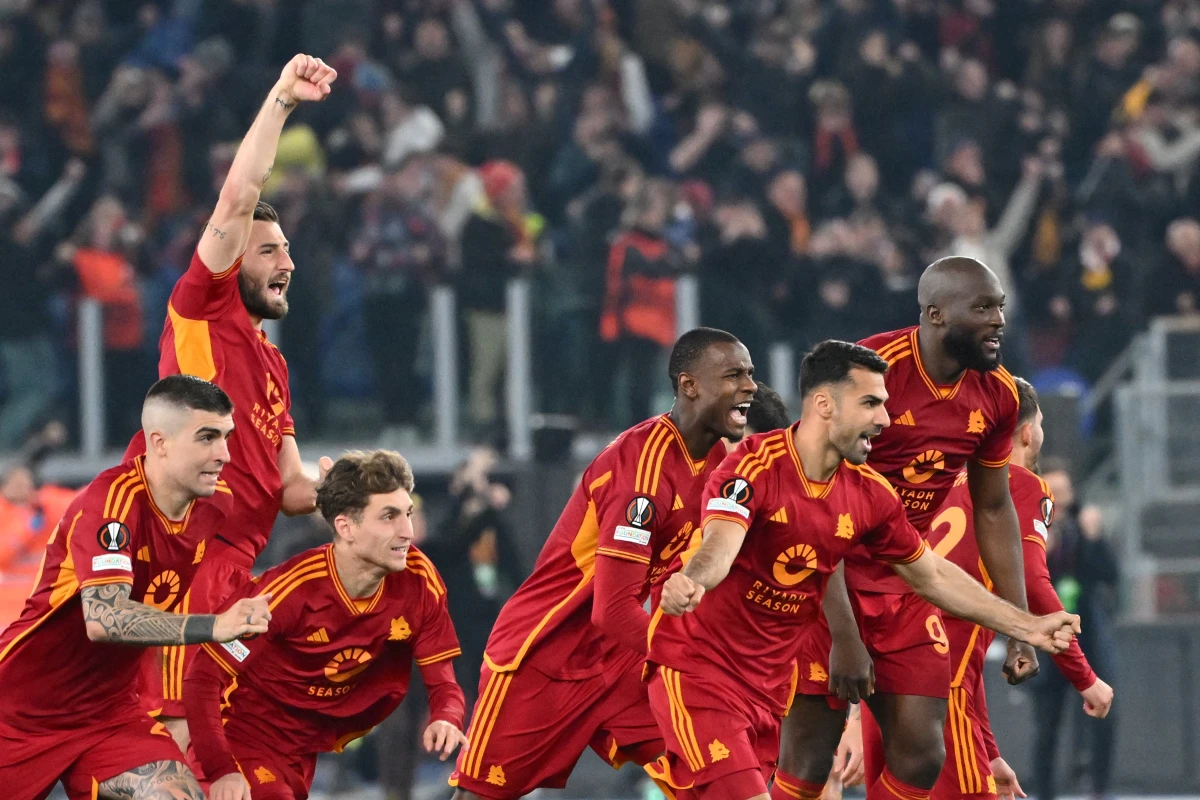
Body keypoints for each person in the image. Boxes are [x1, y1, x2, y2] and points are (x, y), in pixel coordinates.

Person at [645, 340, 1079, 800]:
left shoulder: (869, 492)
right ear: (824, 405)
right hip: (701, 675)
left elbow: (931, 575)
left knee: (903, 757)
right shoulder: (754, 467)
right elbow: (720, 543)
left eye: (885, 404)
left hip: (765, 688)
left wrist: (1026, 625)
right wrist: (692, 580)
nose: (885, 419)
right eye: (870, 403)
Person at [123, 53, 338, 748]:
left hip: (232, 568)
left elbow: (289, 489)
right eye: (269, 251)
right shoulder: (201, 309)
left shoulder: (273, 365)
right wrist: (282, 99)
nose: (288, 263)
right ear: (231, 259)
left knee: (217, 744)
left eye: (287, 250)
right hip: (181, 550)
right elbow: (241, 194)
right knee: (172, 740)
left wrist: (341, 487)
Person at [449, 327, 757, 800]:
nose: (750, 386)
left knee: (715, 763)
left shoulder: (720, 462)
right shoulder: (642, 471)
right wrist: (697, 661)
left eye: (750, 374)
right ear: (690, 385)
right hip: (546, 654)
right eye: (734, 375)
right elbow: (610, 610)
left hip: (621, 657)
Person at [778, 257, 1038, 800]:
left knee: (922, 754)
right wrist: (844, 636)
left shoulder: (999, 394)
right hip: (827, 574)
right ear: (935, 314)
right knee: (810, 759)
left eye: (1000, 307)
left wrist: (1018, 625)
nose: (998, 320)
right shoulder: (870, 376)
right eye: (983, 308)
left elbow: (994, 509)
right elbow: (812, 503)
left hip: (906, 581)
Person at [0, 375, 272, 800]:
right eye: (206, 437)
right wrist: (214, 625)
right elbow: (104, 619)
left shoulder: (215, 504)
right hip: (19, 711)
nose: (223, 454)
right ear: (159, 443)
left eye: (226, 437)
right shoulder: (110, 503)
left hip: (108, 714)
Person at [185, 450, 467, 800]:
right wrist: (222, 770)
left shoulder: (420, 580)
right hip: (243, 741)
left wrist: (446, 717)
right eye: (389, 517)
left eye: (407, 514)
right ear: (346, 527)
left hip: (304, 753)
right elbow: (203, 678)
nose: (407, 532)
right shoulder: (289, 592)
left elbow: (444, 683)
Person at [927, 378, 1114, 800]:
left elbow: (967, 661)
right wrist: (1085, 678)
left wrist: (990, 752)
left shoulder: (948, 485)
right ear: (1028, 432)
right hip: (938, 680)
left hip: (903, 670)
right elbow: (1033, 582)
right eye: (1041, 423)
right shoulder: (1021, 483)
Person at [1031, 462, 1120, 800]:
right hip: (1049, 641)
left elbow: (1109, 574)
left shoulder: (1084, 526)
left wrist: (1094, 539)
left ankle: (1099, 788)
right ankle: (1045, 792)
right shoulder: (1032, 529)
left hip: (1088, 638)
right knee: (1047, 725)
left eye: (1065, 493)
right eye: (1053, 493)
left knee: (1102, 716)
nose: (1062, 501)